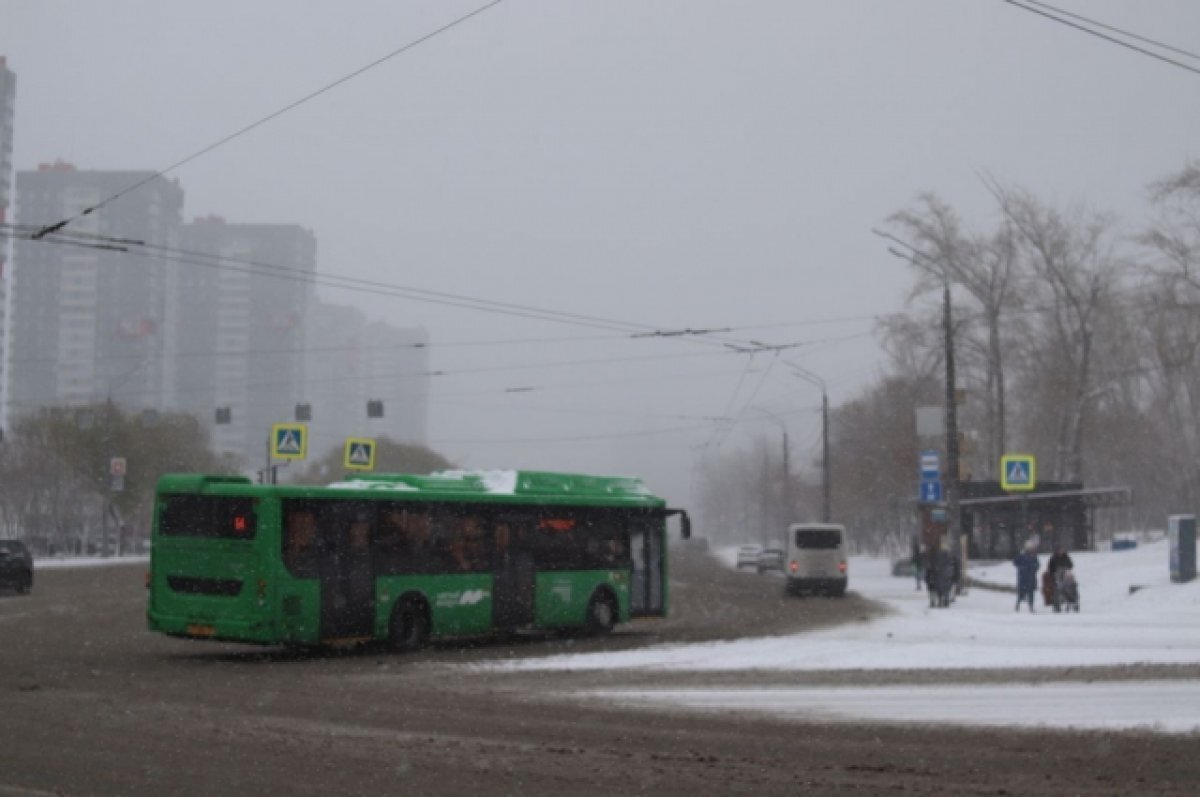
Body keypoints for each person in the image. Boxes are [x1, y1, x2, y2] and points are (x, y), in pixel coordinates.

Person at [1013, 541, 1040, 613]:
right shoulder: (1021, 555)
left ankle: (1031, 606)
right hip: (1023, 577)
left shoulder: (1033, 556)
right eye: (1029, 547)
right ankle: (1018, 604)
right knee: (1021, 593)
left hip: (1031, 577)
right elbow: (1015, 562)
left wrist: (1034, 568)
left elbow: (1037, 564)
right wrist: (1022, 567)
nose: (1030, 549)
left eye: (1031, 548)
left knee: (1031, 593)